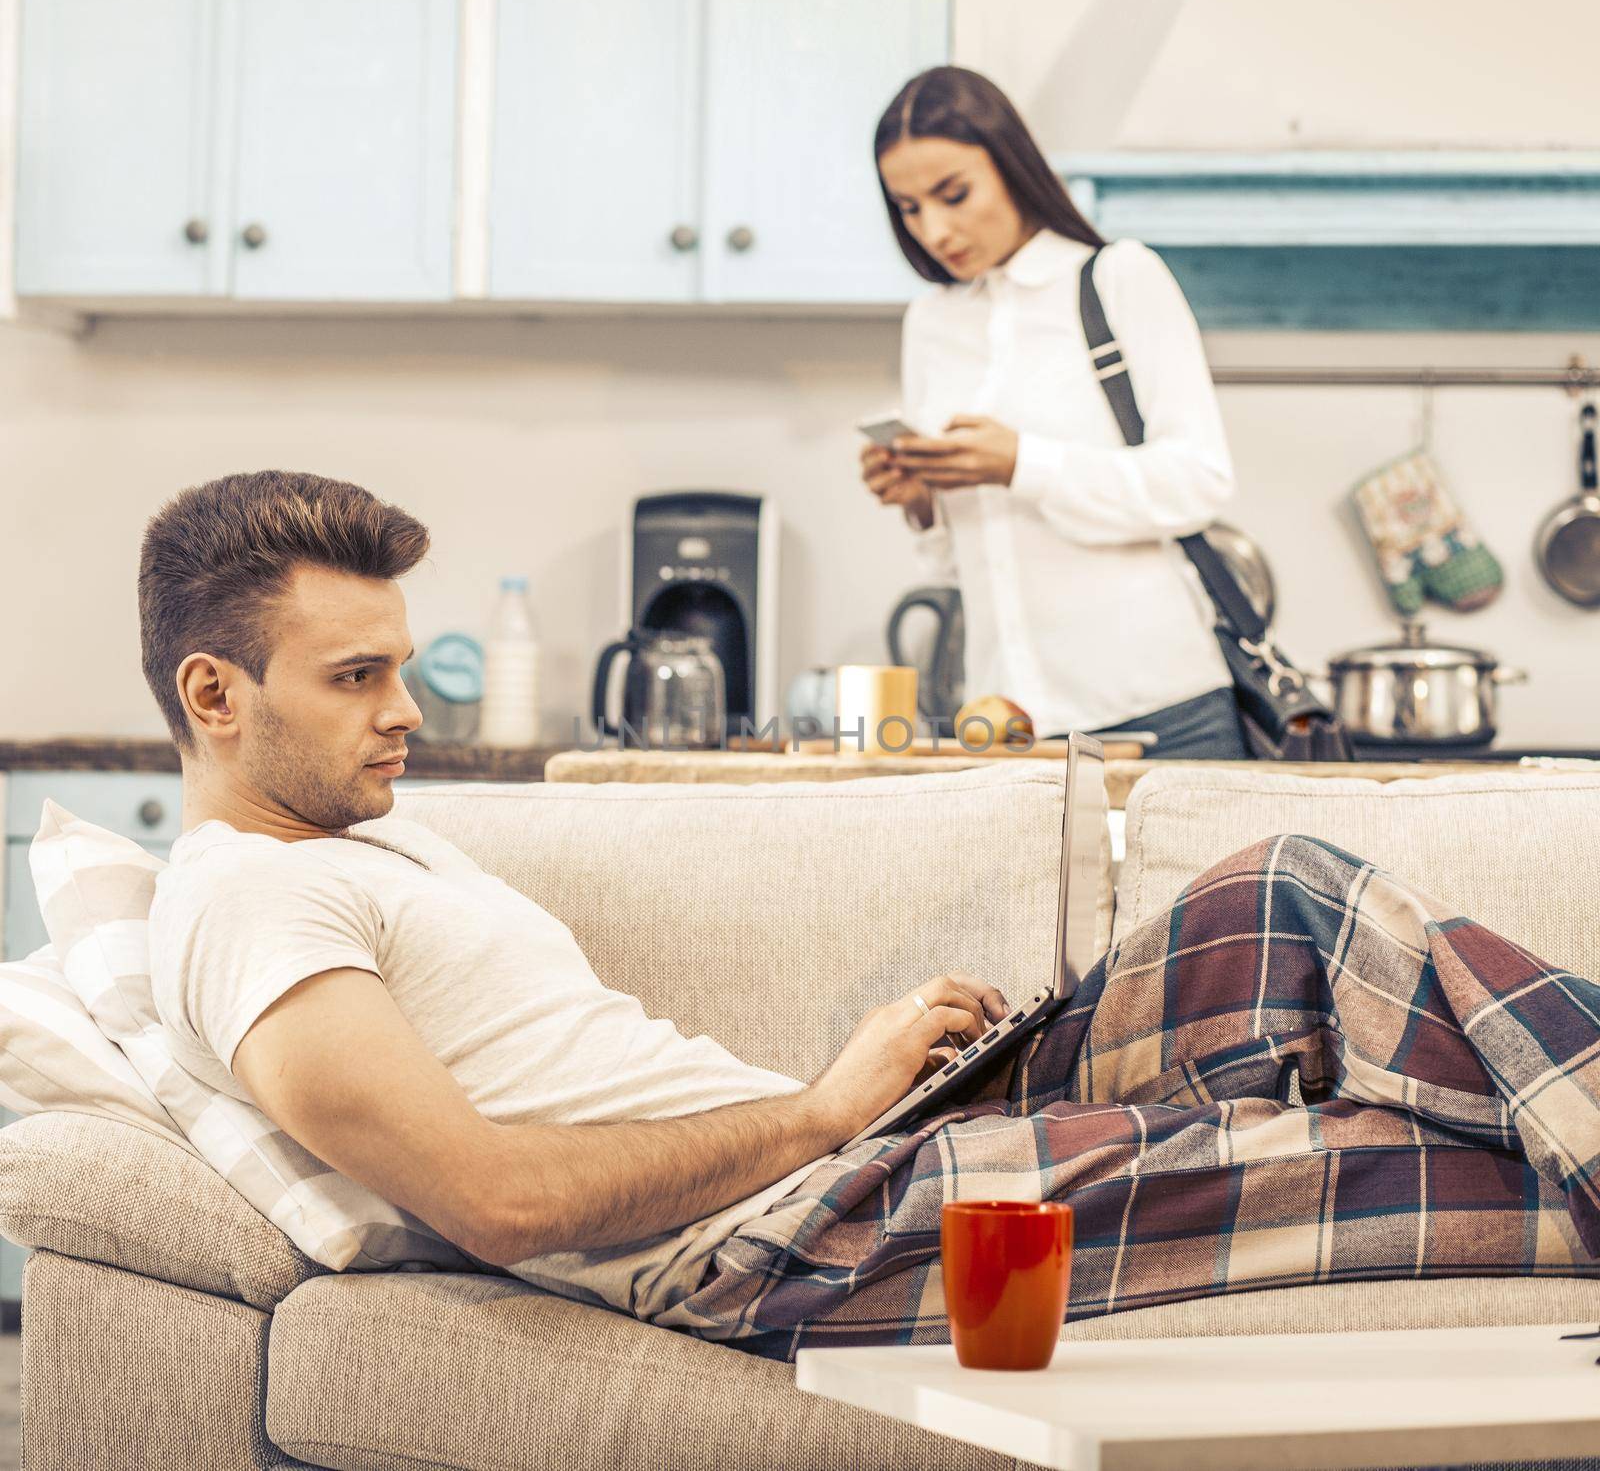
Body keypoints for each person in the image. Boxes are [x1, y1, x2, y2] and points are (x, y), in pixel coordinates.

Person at [144, 472, 1600, 1365]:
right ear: (216, 695)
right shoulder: (246, 912)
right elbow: (500, 1202)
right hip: (790, 1230)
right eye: (354, 679)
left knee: (1284, 891)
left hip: (867, 1152)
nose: (407, 710)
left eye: (398, 666)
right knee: (1382, 1156)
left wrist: (881, 1100)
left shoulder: (367, 851)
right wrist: (822, 1111)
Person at [861, 66, 1248, 760]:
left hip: (1163, 712)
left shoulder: (1118, 277)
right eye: (910, 208)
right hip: (1010, 726)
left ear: (1012, 166)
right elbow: (961, 561)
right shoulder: (929, 323)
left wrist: (1021, 462)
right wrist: (923, 501)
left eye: (954, 194)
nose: (936, 230)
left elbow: (1199, 480)